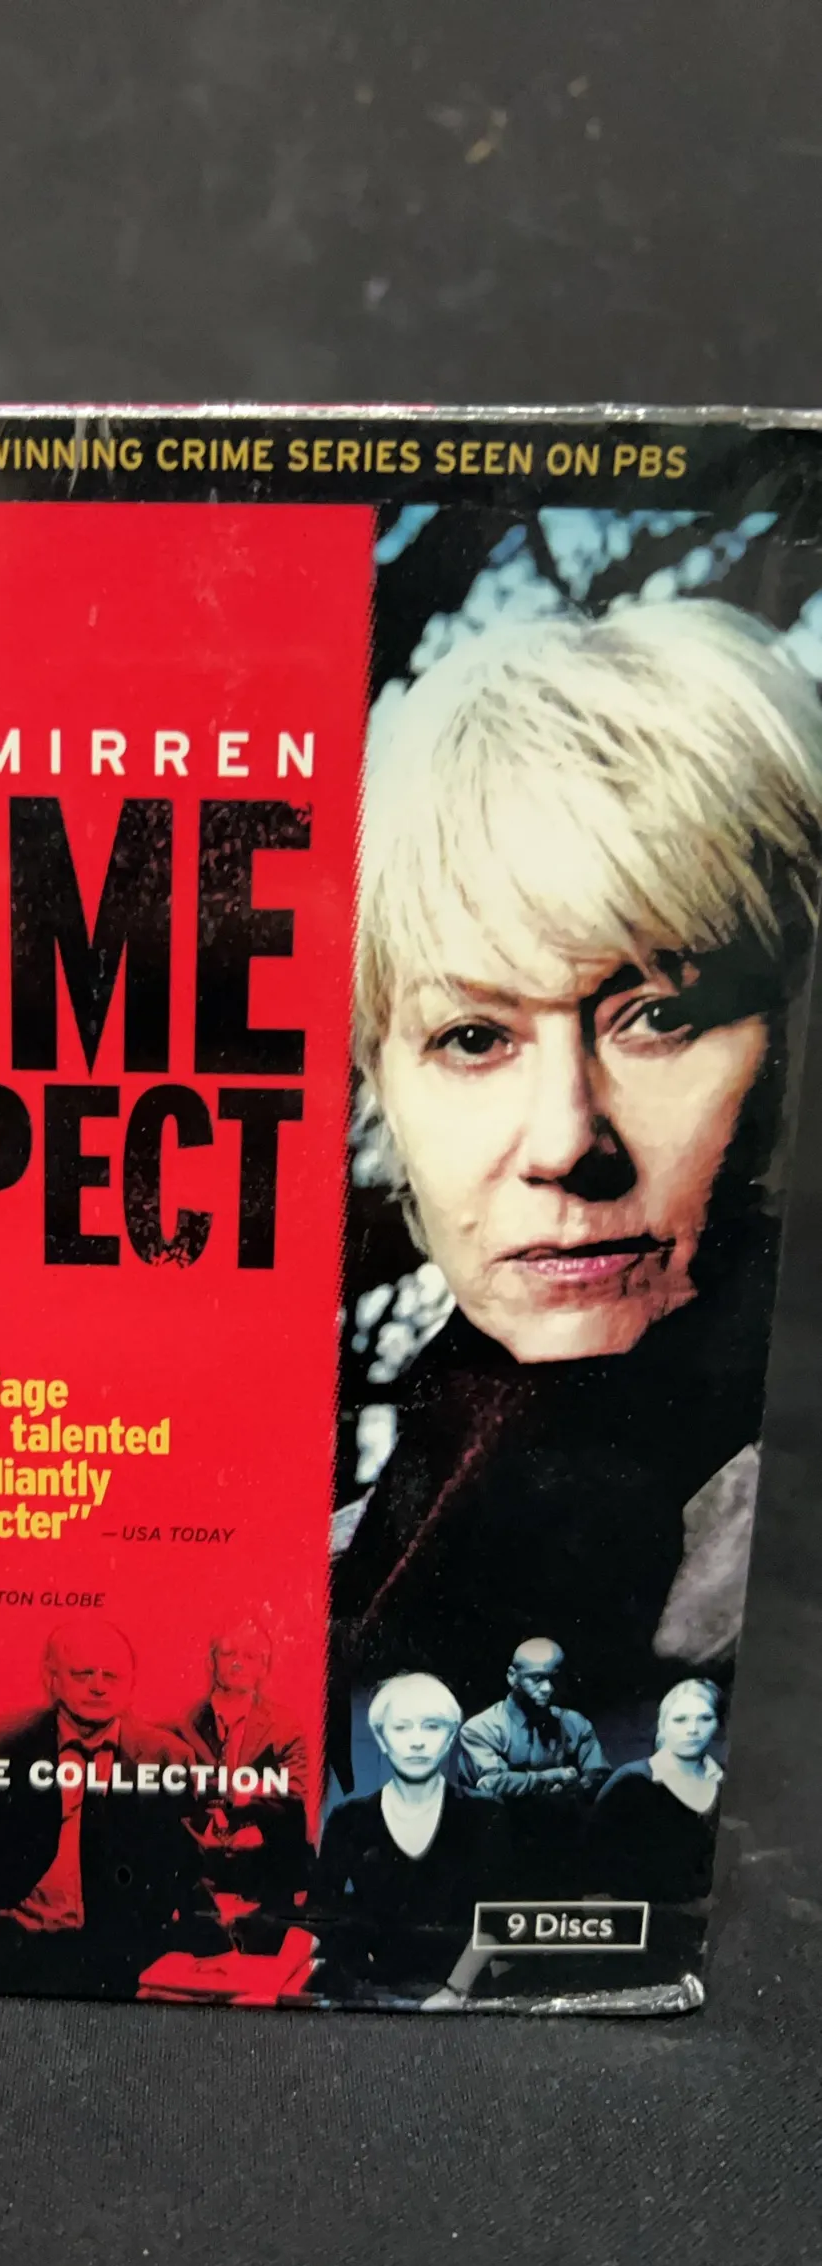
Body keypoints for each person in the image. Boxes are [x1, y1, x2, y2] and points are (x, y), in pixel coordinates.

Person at [331, 600, 822, 1779]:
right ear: (381, 1085)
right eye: (470, 1037)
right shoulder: (323, 1577)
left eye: (656, 1016)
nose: (564, 1140)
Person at [0, 1619, 221, 1998]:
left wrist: (215, 1952)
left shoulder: (167, 1757)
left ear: (131, 1683)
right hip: (18, 1951)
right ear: (51, 1679)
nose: (98, 1686)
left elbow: (187, 1865)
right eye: (83, 1674)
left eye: (112, 1676)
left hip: (125, 1960)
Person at [306, 1673, 501, 2006]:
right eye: (401, 1727)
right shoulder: (348, 1819)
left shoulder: (484, 1815)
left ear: (451, 1734)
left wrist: (455, 1991)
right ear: (381, 1737)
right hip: (371, 1996)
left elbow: (498, 1915)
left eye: (431, 1726)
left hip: (464, 1999)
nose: (417, 1742)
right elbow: (323, 1913)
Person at [175, 1618, 312, 1934]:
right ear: (212, 1662)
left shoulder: (285, 1727)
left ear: (265, 1667)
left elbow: (293, 1794)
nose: (238, 1662)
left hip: (264, 1866)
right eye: (228, 1654)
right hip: (201, 1867)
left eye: (250, 1656)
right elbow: (177, 1796)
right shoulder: (184, 1725)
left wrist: (235, 1798)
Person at [591, 1677, 724, 1906]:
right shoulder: (631, 1782)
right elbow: (599, 1858)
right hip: (645, 1912)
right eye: (680, 1719)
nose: (693, 1730)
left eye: (705, 1718)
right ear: (663, 1725)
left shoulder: (726, 1783)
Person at [459, 1638, 609, 1801]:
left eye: (554, 1678)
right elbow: (492, 1783)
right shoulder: (481, 1729)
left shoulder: (575, 1723)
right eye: (536, 1679)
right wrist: (557, 1776)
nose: (547, 1688)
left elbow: (599, 1775)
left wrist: (580, 1787)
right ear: (512, 1676)